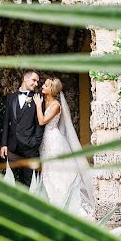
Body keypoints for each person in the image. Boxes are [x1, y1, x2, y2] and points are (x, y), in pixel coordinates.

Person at [34, 77, 95, 218]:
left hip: (54, 141)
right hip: (44, 141)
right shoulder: (45, 101)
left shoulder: (55, 105)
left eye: (46, 85)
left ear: (52, 90)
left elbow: (42, 121)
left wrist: (37, 105)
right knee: (47, 171)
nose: (43, 86)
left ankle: (63, 205)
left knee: (55, 172)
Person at [0, 70, 43, 187]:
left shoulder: (37, 99)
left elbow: (39, 123)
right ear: (25, 78)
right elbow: (6, 122)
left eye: (38, 82)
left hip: (29, 147)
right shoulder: (11, 98)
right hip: (12, 146)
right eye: (34, 80)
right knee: (10, 179)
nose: (36, 84)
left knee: (29, 181)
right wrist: (4, 144)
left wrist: (35, 142)